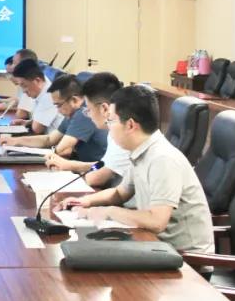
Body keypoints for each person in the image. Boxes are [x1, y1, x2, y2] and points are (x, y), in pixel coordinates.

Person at [56, 85, 214, 255]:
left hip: (185, 260)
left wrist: (109, 212)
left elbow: (157, 221)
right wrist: (84, 202)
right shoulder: (141, 151)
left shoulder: (162, 159)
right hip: (155, 246)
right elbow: (119, 193)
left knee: (87, 258)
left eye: (111, 121)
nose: (109, 127)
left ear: (130, 125)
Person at [45, 72, 131, 187]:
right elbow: (101, 165)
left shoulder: (122, 135)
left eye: (88, 110)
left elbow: (94, 178)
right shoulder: (113, 131)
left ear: (104, 108)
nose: (88, 115)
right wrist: (71, 165)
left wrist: (71, 166)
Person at [0, 74, 106, 160]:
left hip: (98, 173)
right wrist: (16, 141)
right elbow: (49, 139)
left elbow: (63, 150)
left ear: (74, 100)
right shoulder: (72, 112)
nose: (58, 110)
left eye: (59, 105)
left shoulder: (84, 113)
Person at [10, 59, 62, 134]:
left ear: (37, 81)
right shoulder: (41, 91)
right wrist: (27, 122)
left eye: (24, 85)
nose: (24, 91)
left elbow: (37, 128)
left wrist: (31, 123)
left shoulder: (49, 95)